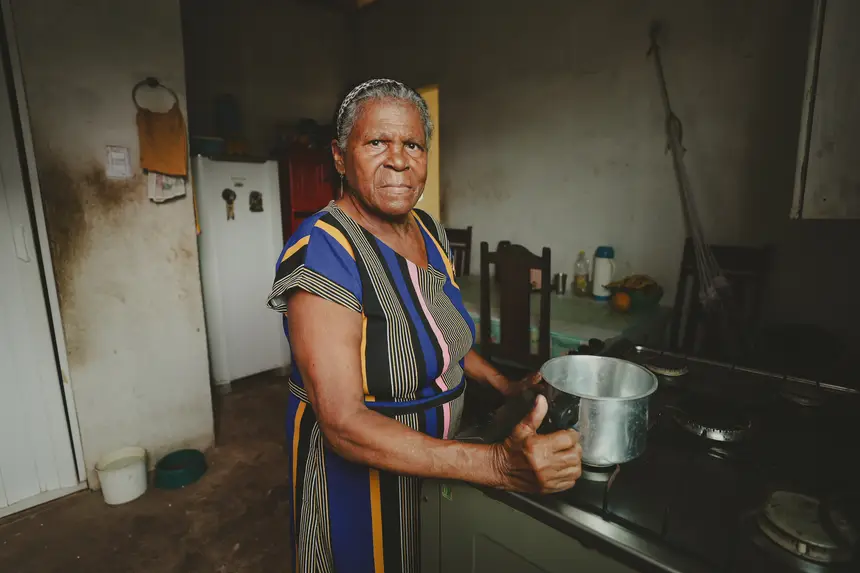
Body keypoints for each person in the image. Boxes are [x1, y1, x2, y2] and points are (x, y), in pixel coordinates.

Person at [266, 78, 582, 573]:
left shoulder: (429, 231)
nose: (398, 160)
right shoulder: (324, 251)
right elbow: (343, 424)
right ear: (340, 157)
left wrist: (505, 385)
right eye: (377, 142)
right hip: (358, 489)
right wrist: (495, 464)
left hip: (436, 471)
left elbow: (442, 332)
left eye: (412, 145)